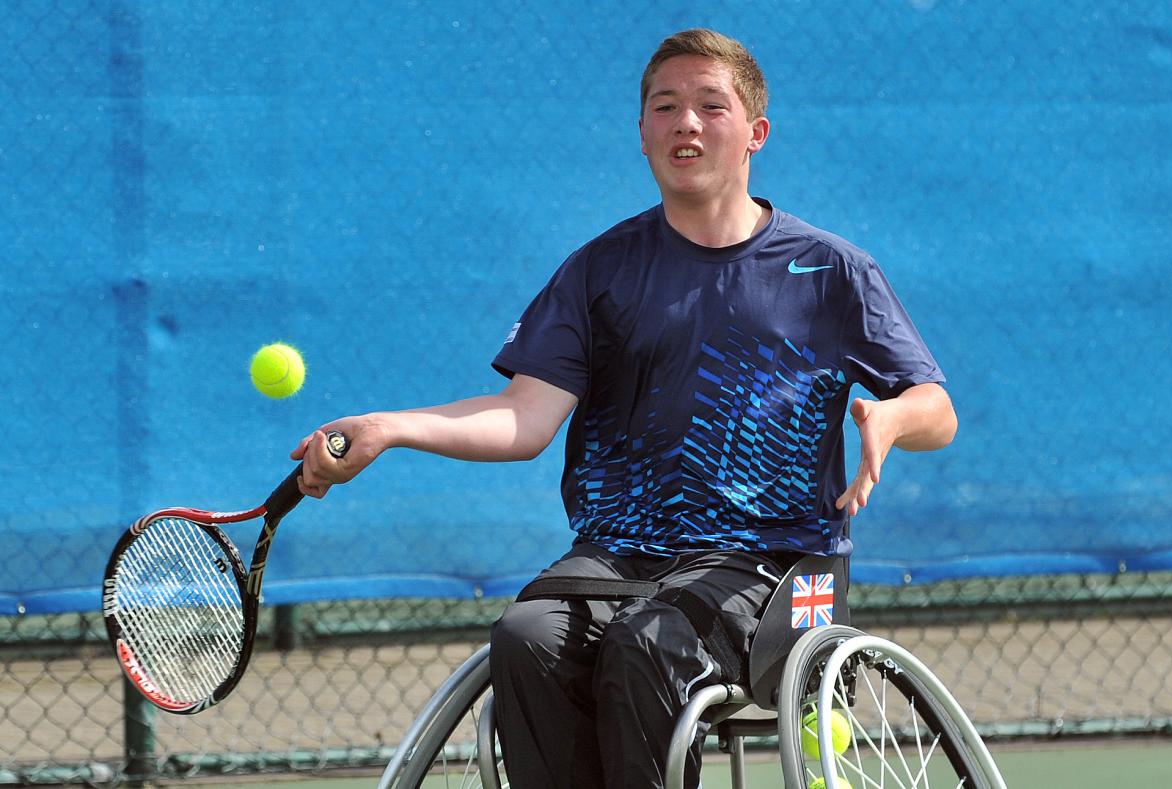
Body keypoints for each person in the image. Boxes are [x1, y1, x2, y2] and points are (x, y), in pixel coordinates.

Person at [293, 28, 957, 789]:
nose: (687, 123)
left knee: (650, 642)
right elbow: (524, 418)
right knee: (526, 633)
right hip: (620, 555)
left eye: (712, 105)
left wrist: (892, 418)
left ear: (755, 134)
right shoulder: (600, 271)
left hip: (775, 568)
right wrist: (389, 428)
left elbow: (936, 407)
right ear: (642, 134)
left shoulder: (831, 270)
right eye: (666, 107)